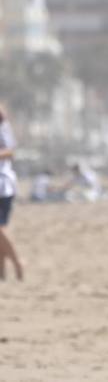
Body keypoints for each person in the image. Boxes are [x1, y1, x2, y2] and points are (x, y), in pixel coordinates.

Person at [0, 104, 23, 280]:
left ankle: (17, 262)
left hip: (3, 185)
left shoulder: (3, 127)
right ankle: (2, 274)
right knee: (2, 231)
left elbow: (10, 152)